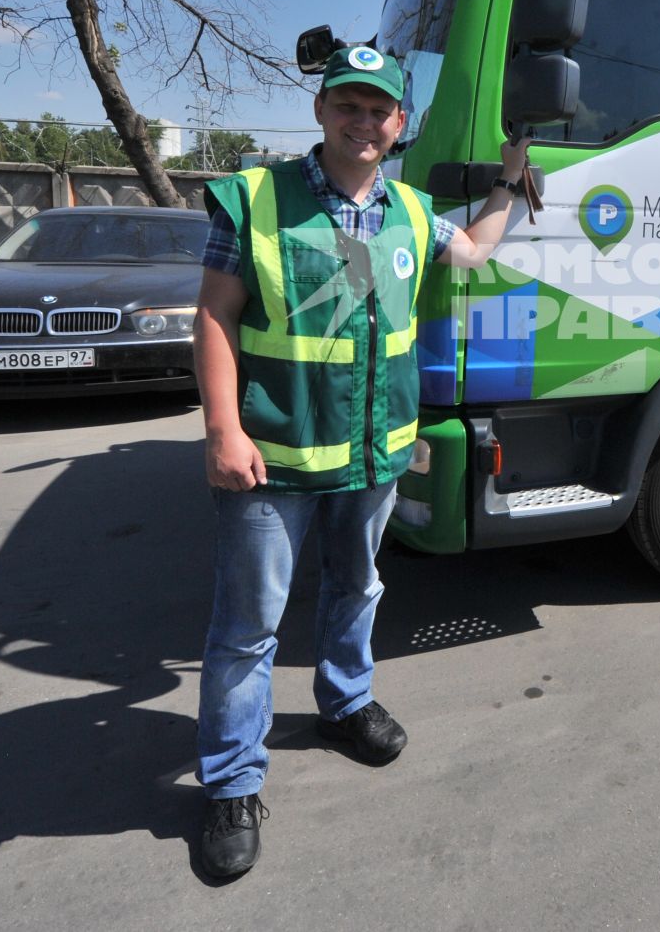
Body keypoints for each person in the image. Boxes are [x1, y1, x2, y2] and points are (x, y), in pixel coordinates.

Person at [191, 44, 533, 879]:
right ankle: (232, 782)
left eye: (378, 109)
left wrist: (509, 184)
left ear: (399, 123)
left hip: (373, 453)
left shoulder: (412, 212)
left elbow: (478, 251)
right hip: (275, 456)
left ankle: (344, 704)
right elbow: (213, 315)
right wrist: (222, 431)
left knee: (359, 586)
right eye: (347, 103)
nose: (363, 120)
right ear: (320, 111)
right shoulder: (257, 198)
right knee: (248, 626)